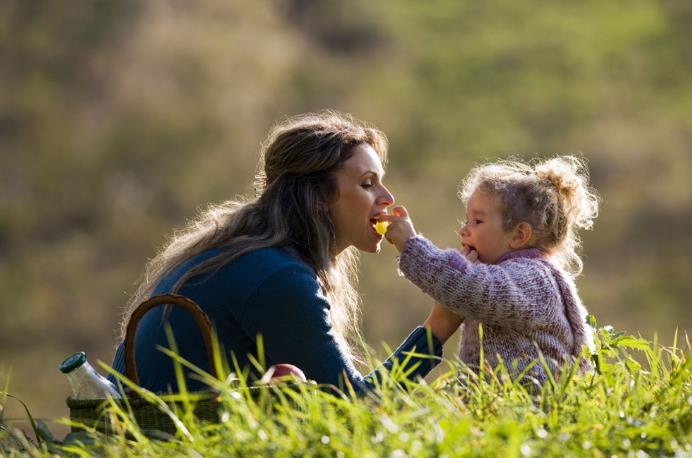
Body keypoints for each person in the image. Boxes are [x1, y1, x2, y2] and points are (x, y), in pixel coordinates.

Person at [109, 110, 460, 394]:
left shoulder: (241, 254)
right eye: (367, 183)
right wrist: (439, 324)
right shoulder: (277, 277)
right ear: (319, 197)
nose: (387, 197)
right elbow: (357, 409)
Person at [382, 156, 599, 386]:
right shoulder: (512, 273)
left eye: (477, 221)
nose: (463, 230)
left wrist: (411, 246)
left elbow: (471, 286)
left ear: (518, 235)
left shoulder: (533, 277)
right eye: (466, 220)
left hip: (530, 411)